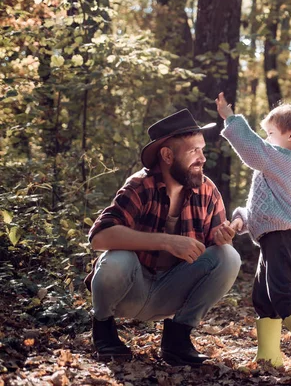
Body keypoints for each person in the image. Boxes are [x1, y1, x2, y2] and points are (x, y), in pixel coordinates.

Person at [85, 108, 242, 367]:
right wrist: (166, 241)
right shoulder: (139, 185)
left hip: (171, 291)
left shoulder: (208, 190)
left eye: (202, 150)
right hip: (129, 291)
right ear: (167, 155)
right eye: (194, 151)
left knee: (228, 257)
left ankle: (177, 341)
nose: (202, 158)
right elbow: (99, 237)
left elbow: (217, 253)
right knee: (117, 258)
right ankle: (103, 331)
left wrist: (222, 238)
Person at [215, 92, 291, 372]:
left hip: (282, 236)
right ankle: (269, 358)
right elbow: (263, 207)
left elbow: (252, 150)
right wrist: (239, 221)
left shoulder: (282, 158)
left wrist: (231, 119)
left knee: (282, 291)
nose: (266, 139)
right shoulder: (280, 167)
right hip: (275, 236)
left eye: (270, 133)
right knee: (263, 296)